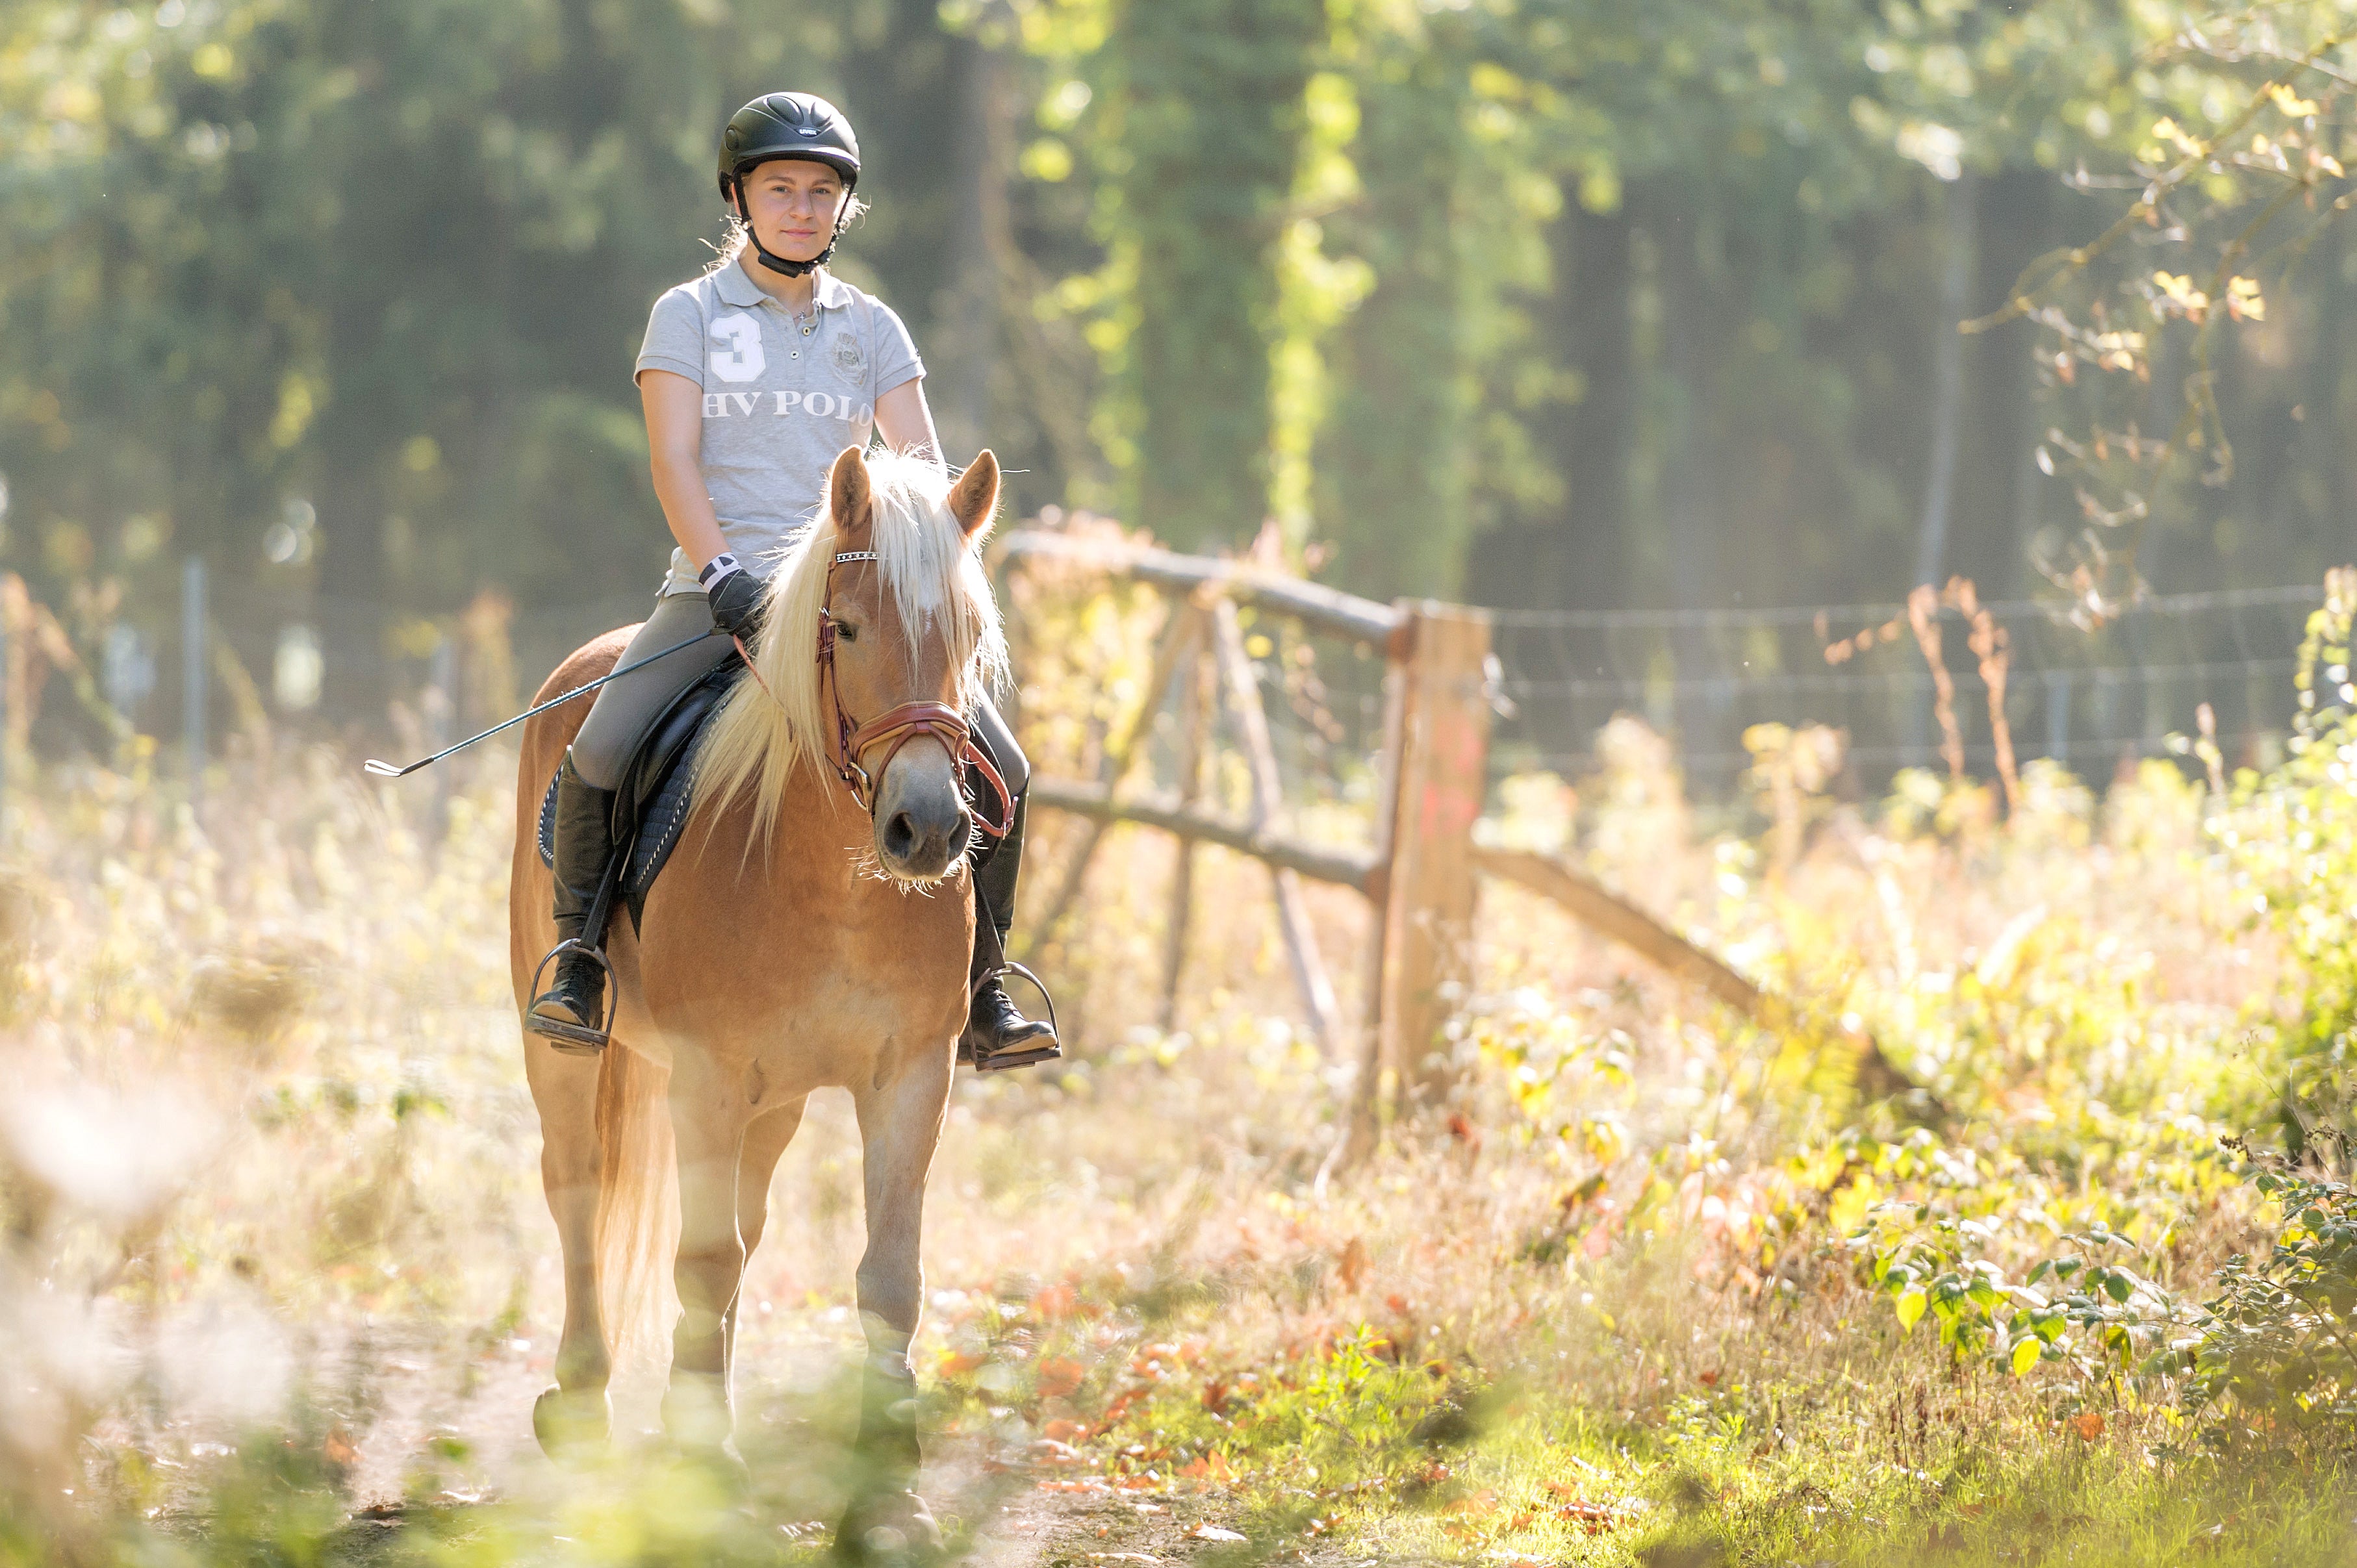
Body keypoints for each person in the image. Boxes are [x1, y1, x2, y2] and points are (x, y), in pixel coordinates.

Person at [525, 90, 1058, 1072]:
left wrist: (926, 563)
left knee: (1009, 772)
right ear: (740, 198)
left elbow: (923, 471)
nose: (803, 209)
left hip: (853, 600)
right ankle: (580, 964)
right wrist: (723, 570)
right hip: (717, 591)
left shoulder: (875, 328)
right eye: (781, 190)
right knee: (598, 749)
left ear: (843, 208)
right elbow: (675, 462)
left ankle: (983, 986)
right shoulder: (686, 316)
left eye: (822, 192)